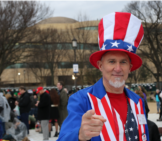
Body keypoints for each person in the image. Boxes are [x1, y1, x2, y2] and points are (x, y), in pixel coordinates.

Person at [57, 12, 149, 141]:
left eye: (123, 62)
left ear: (130, 67)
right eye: (111, 61)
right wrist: (80, 135)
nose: (117, 68)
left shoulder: (137, 101)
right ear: (100, 66)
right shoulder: (81, 100)